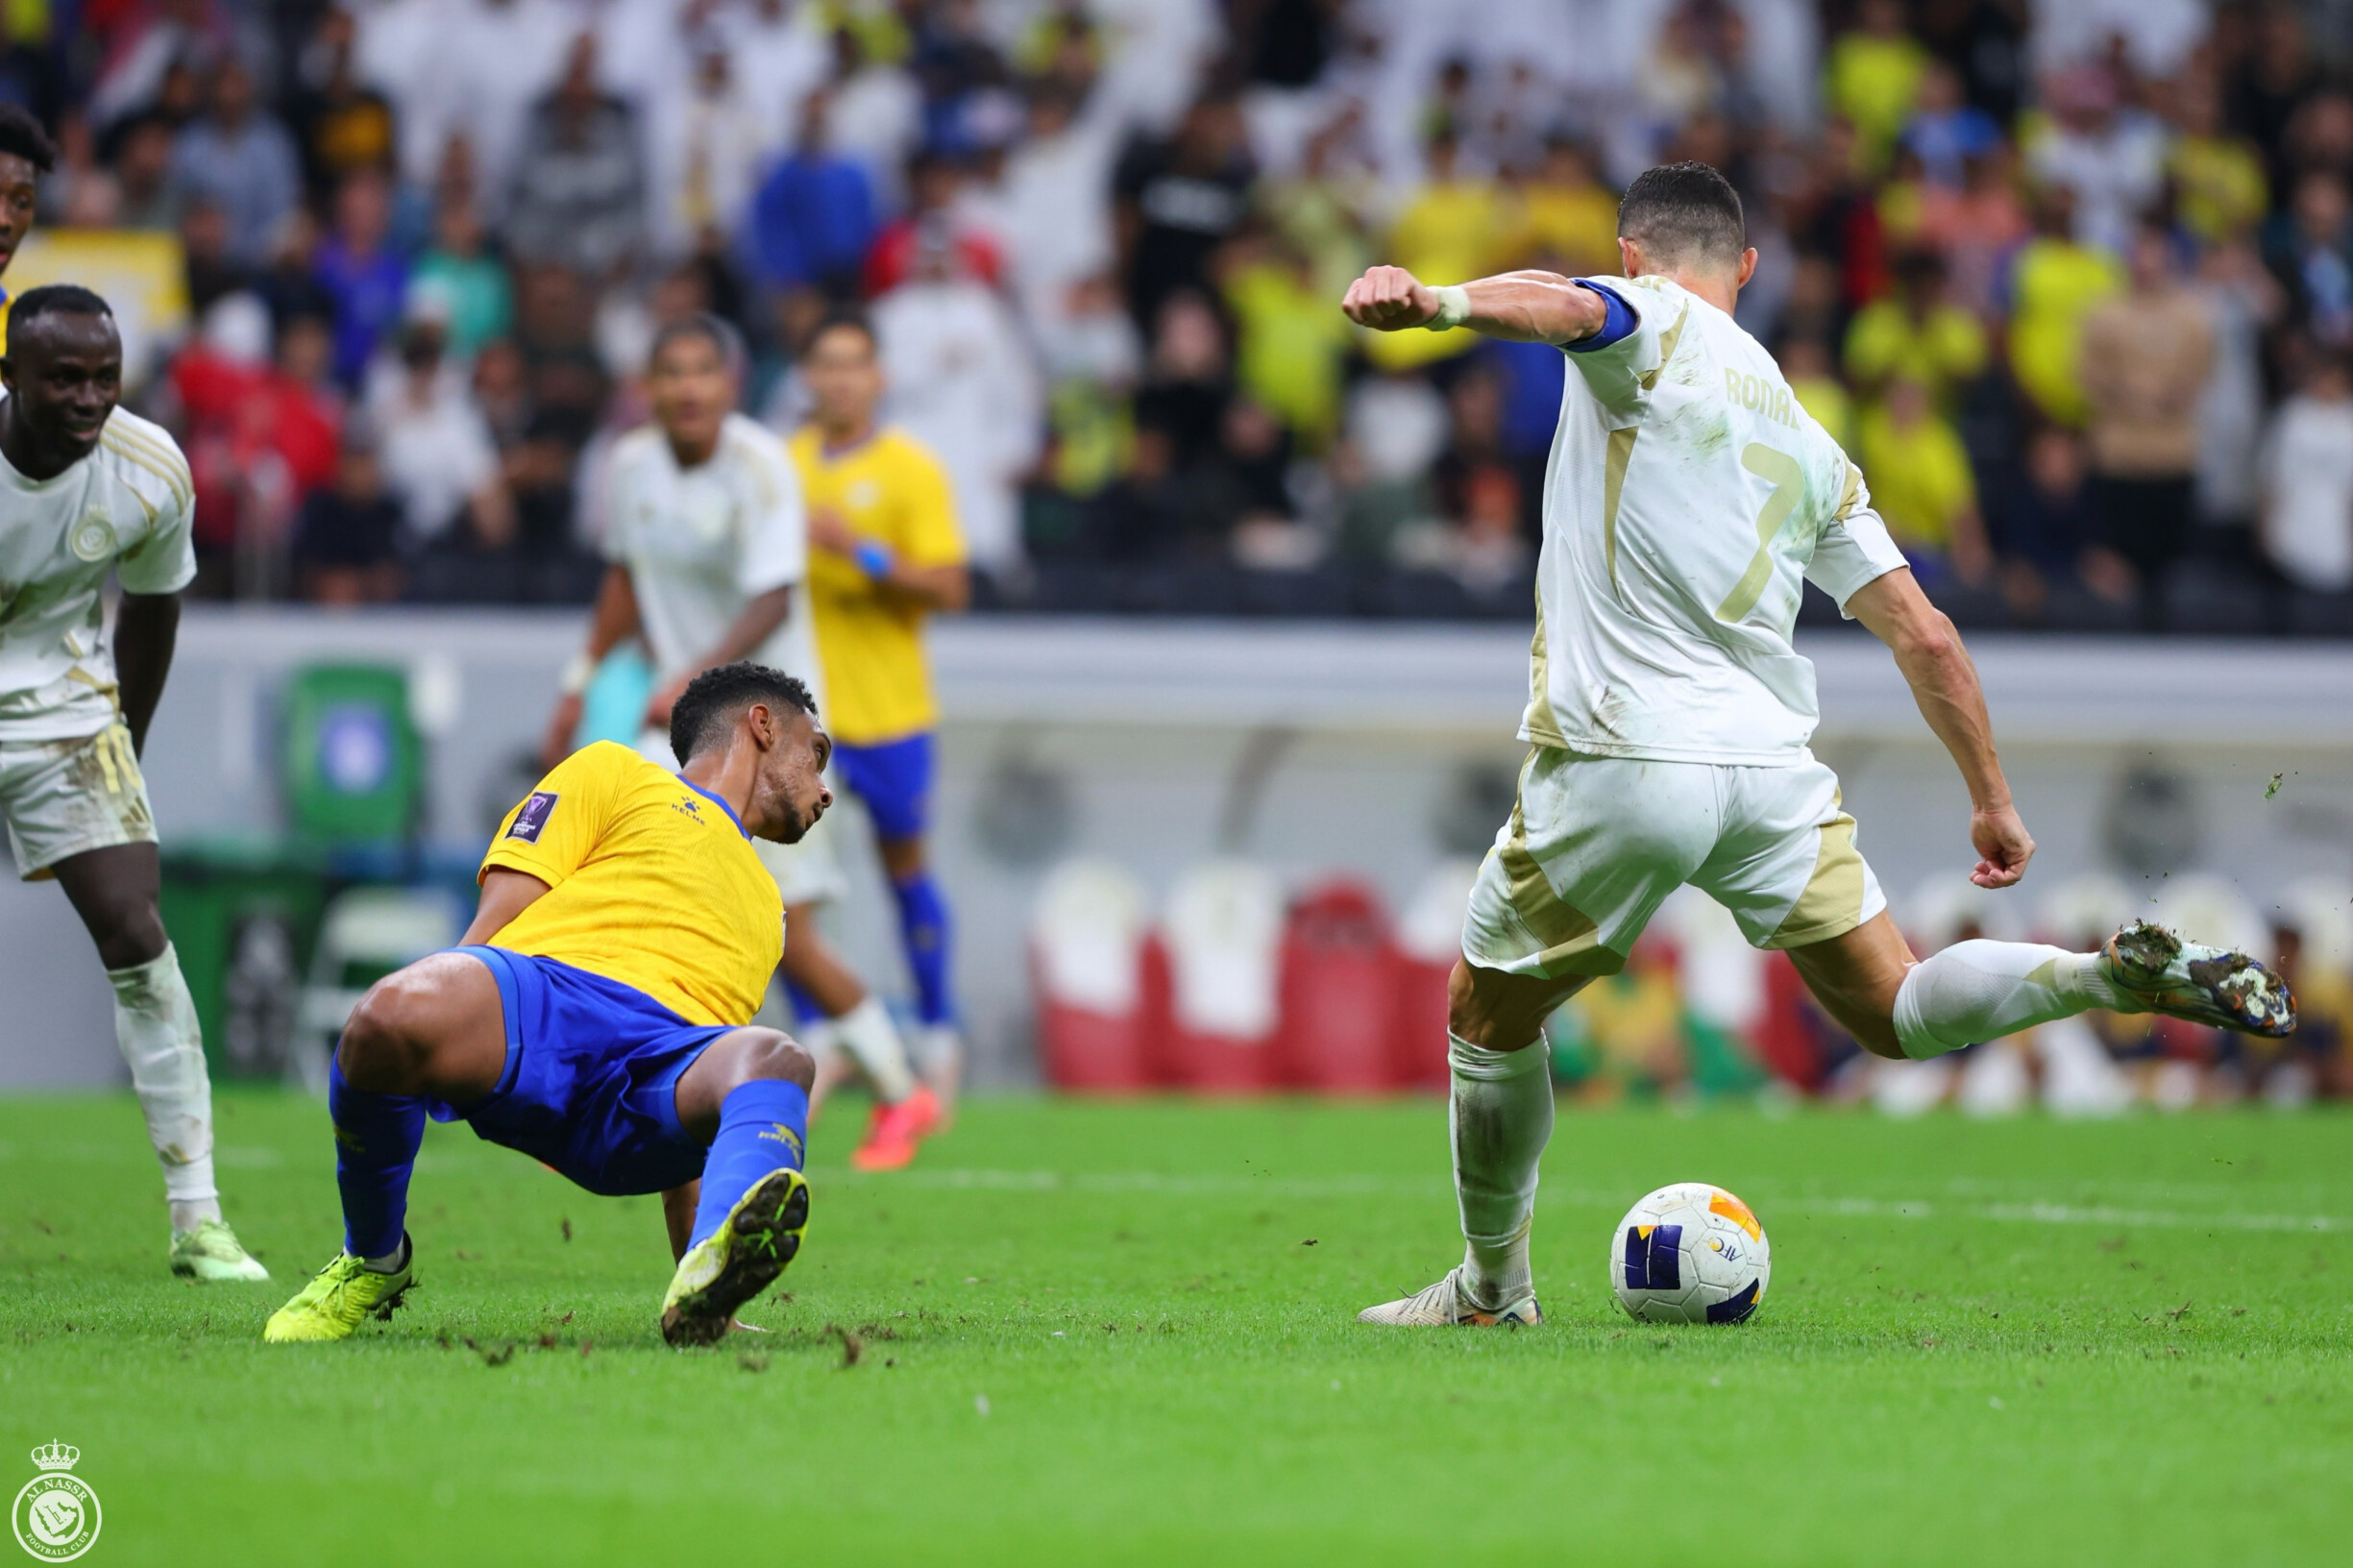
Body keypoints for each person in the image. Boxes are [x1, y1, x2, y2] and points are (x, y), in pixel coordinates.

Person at [1337, 162, 2296, 1329]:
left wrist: (1438, 304)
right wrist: (1992, 799)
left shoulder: (1652, 321)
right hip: (1770, 767)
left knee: (1486, 1017)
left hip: (1629, 753)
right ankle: (2099, 975)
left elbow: (1568, 306)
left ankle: (1492, 1292)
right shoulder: (1807, 438)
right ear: (1747, 267)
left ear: (1635, 255)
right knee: (1892, 1008)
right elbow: (1929, 638)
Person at [265, 664, 827, 1347]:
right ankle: (374, 1261)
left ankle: (709, 1271)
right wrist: (439, 1026)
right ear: (763, 725)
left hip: (652, 1074)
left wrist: (694, 1279)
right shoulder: (616, 772)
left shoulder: (770, 911)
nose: (825, 791)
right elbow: (497, 916)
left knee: (775, 1057)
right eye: (816, 753)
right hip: (544, 1005)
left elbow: (710, 1086)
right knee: (387, 1012)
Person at [543, 315, 939, 1172]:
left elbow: (775, 599)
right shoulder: (629, 465)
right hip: (680, 727)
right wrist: (579, 681)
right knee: (650, 886)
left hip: (769, 734)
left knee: (787, 932)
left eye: (703, 372)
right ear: (647, 388)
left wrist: (685, 672)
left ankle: (903, 1088)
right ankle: (640, 1075)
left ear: (730, 383)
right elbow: (623, 577)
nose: (687, 388)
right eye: (669, 372)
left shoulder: (763, 466)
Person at [0, 285, 267, 1282]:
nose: (87, 398)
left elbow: (152, 612)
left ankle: (198, 1221)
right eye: (63, 378)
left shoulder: (150, 469)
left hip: (66, 713)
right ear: (11, 376)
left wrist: (126, 744)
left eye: (104, 378)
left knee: (140, 938)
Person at [788, 312, 971, 1115]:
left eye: (853, 365)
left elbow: (950, 587)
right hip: (800, 721)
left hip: (891, 711)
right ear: (808, 376)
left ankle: (936, 1036)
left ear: (877, 377)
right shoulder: (777, 465)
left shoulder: (910, 471)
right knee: (789, 895)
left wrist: (856, 550)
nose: (839, 380)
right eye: (825, 365)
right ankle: (818, 1043)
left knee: (905, 874)